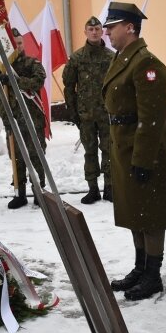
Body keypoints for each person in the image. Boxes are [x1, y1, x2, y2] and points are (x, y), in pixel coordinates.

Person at [102, 2, 166, 301]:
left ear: (130, 27)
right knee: (134, 210)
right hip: (124, 145)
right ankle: (140, 267)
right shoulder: (123, 59)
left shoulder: (146, 64)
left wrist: (142, 159)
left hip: (141, 147)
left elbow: (151, 117)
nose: (107, 31)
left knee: (149, 213)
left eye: (112, 26)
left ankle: (153, 274)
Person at [0, 28, 48, 209]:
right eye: (13, 44)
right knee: (16, 157)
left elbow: (37, 82)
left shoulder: (32, 63)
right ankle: (20, 192)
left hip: (32, 120)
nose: (17, 46)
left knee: (36, 156)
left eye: (19, 43)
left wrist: (14, 81)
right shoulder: (0, 68)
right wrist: (6, 116)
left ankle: (39, 191)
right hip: (13, 121)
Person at [63, 16, 115, 204]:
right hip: (85, 116)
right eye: (90, 29)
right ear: (85, 32)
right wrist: (73, 111)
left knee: (109, 150)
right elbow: (69, 86)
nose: (94, 32)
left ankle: (110, 187)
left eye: (97, 29)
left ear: (102, 32)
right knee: (90, 152)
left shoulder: (111, 57)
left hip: (107, 114)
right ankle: (92, 189)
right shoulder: (77, 58)